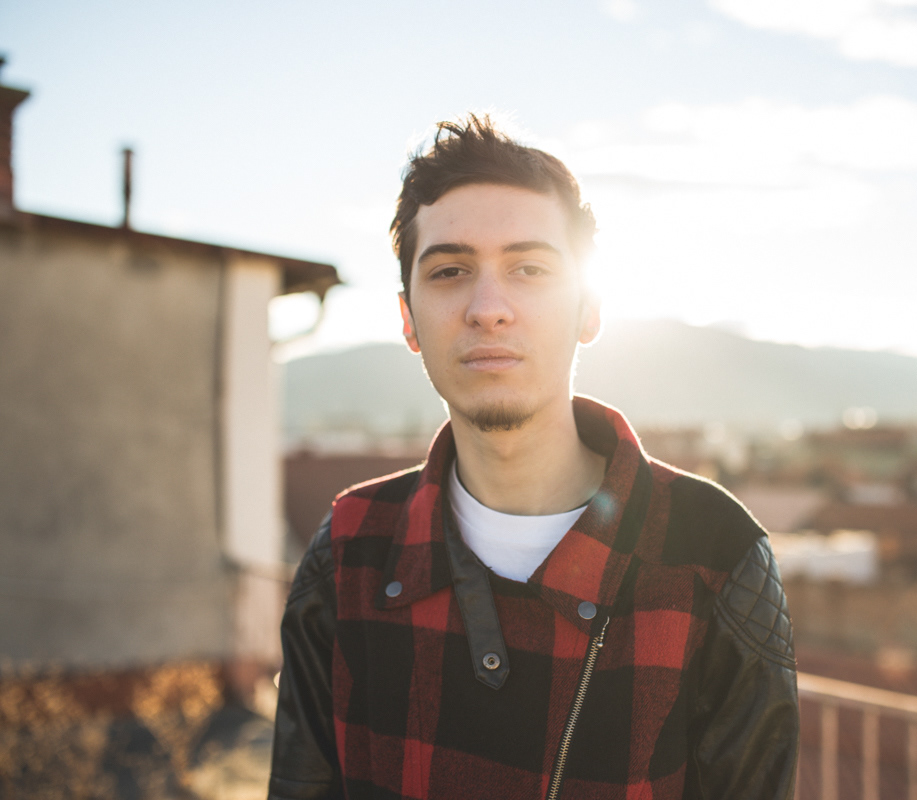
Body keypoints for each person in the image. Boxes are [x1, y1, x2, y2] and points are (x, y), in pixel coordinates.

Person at [269, 115, 799, 800]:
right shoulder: (350, 548)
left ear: (589, 309)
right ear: (408, 320)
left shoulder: (715, 555)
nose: (489, 308)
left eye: (530, 268)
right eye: (450, 271)